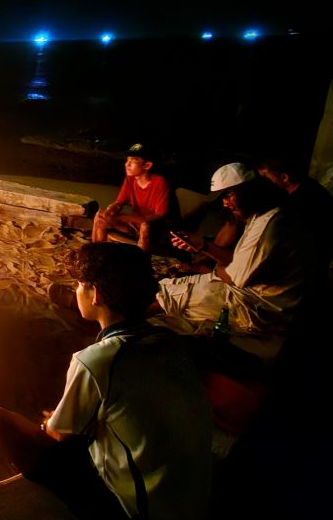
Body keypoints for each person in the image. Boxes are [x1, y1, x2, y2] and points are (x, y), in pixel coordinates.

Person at [0, 243, 212, 520]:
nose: (75, 290)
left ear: (96, 294)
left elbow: (58, 435)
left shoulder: (96, 360)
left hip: (141, 517)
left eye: (79, 284)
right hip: (191, 499)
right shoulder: (168, 340)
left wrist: (50, 423)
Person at [162, 163, 314, 362]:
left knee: (174, 294)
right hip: (248, 289)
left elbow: (234, 277)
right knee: (172, 283)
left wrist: (204, 256)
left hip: (262, 307)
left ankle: (125, 326)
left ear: (248, 190)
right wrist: (200, 246)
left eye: (228, 196)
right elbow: (237, 262)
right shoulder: (259, 217)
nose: (225, 203)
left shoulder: (272, 224)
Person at [258, 154, 333, 276]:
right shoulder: (300, 188)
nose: (264, 183)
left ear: (284, 177)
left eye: (266, 178)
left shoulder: (305, 200)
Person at [92, 143, 173, 252]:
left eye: (133, 160)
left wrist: (123, 217)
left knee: (145, 226)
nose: (127, 164)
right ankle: (96, 254)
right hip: (134, 227)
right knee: (100, 216)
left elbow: (159, 216)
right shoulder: (130, 179)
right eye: (127, 160)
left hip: (155, 232)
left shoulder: (159, 182)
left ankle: (141, 262)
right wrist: (113, 208)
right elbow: (120, 202)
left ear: (147, 165)